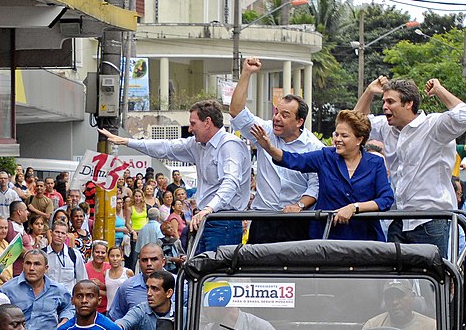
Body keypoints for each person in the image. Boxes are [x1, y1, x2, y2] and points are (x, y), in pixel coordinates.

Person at [100, 100, 251, 252]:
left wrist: (210, 208)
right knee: (201, 270)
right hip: (206, 219)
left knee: (215, 272)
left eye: (193, 124)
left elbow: (231, 182)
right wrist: (127, 142)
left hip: (224, 221)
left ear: (207, 122)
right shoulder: (197, 144)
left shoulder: (230, 145)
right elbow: (166, 147)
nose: (190, 129)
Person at [355, 76, 466, 254]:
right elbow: (354, 123)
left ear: (409, 103)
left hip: (430, 219)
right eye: (384, 101)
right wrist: (368, 92)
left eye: (390, 101)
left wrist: (439, 89)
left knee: (433, 278)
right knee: (397, 281)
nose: (384, 107)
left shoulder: (433, 126)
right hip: (398, 218)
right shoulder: (386, 127)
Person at [250, 110, 394, 240]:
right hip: (328, 236)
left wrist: (354, 207)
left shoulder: (375, 163)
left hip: (364, 238)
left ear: (359, 139)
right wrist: (269, 148)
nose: (337, 139)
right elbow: (294, 160)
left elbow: (386, 199)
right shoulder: (326, 156)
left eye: (344, 136)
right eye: (336, 134)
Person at [229, 57, 323, 243]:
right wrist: (246, 73)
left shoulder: (314, 147)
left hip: (296, 220)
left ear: (299, 122)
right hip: (263, 218)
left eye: (285, 115)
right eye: (276, 112)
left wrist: (299, 205)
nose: (277, 118)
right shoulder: (264, 131)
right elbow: (236, 111)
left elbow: (316, 185)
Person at [0, 249, 74, 330]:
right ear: (22, 265)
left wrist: (64, 321)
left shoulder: (57, 289)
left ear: (46, 268)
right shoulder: (7, 289)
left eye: (37, 264)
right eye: (28, 263)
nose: (31, 268)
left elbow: (69, 306)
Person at [357, 280, 437, 330]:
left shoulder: (432, 328)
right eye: (389, 297)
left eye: (400, 296)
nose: (394, 302)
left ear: (412, 297)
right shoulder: (372, 326)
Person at [108, 243, 166, 320]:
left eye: (154, 259)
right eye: (144, 260)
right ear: (139, 262)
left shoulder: (179, 286)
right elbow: (115, 318)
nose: (149, 264)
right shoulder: (127, 287)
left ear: (163, 262)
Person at [46, 220, 88, 290]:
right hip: (47, 297)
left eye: (62, 233)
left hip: (68, 298)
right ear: (51, 233)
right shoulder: (43, 254)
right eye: (57, 232)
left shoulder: (74, 255)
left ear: (66, 236)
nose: (59, 235)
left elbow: (82, 280)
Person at [6, 200, 32, 277]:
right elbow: (16, 248)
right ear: (19, 212)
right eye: (25, 210)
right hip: (17, 271)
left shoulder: (19, 226)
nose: (28, 213)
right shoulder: (11, 226)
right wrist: (32, 256)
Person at [85, 240, 111, 314]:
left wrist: (101, 285)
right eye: (97, 252)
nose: (100, 255)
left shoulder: (110, 268)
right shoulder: (85, 268)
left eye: (103, 252)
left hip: (107, 309)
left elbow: (113, 291)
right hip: (89, 308)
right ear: (92, 253)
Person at [105, 246, 133, 311]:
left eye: (117, 256)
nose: (115, 259)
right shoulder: (106, 273)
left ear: (121, 257)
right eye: (112, 256)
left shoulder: (128, 272)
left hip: (124, 310)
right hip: (109, 309)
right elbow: (109, 291)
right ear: (108, 257)